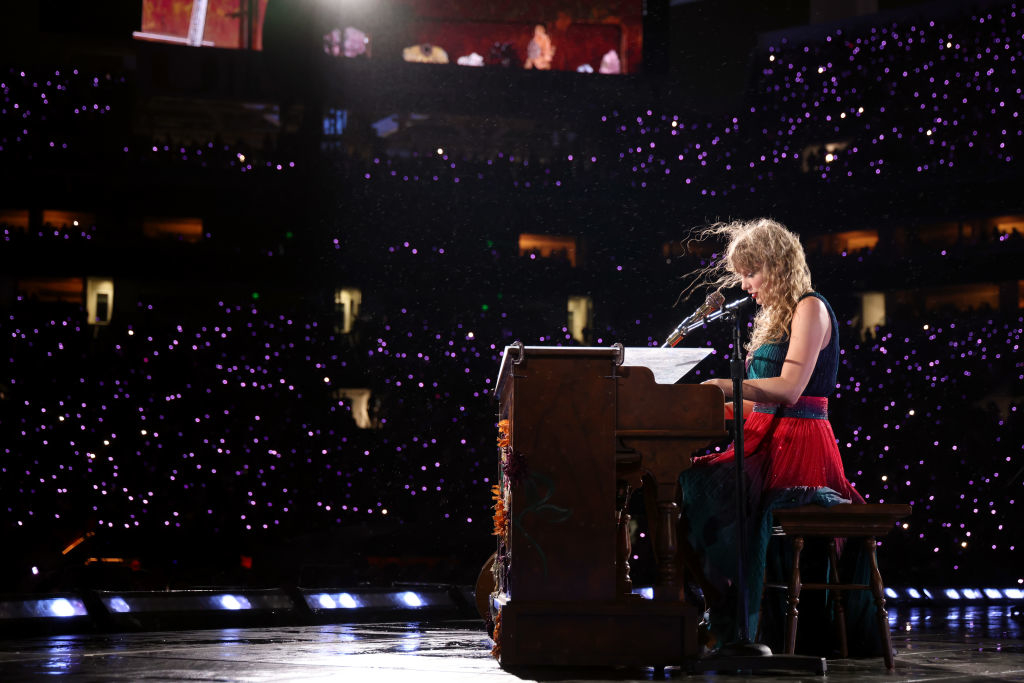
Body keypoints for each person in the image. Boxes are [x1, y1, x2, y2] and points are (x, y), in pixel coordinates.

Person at [676, 218, 868, 654]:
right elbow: (756, 405)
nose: (745, 285)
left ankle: (735, 620)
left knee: (706, 492)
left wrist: (728, 386)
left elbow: (789, 390)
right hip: (763, 437)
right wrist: (699, 410)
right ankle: (722, 611)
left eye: (751, 272)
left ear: (778, 264)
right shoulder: (771, 318)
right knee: (687, 486)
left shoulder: (810, 308)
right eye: (742, 274)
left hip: (799, 442)